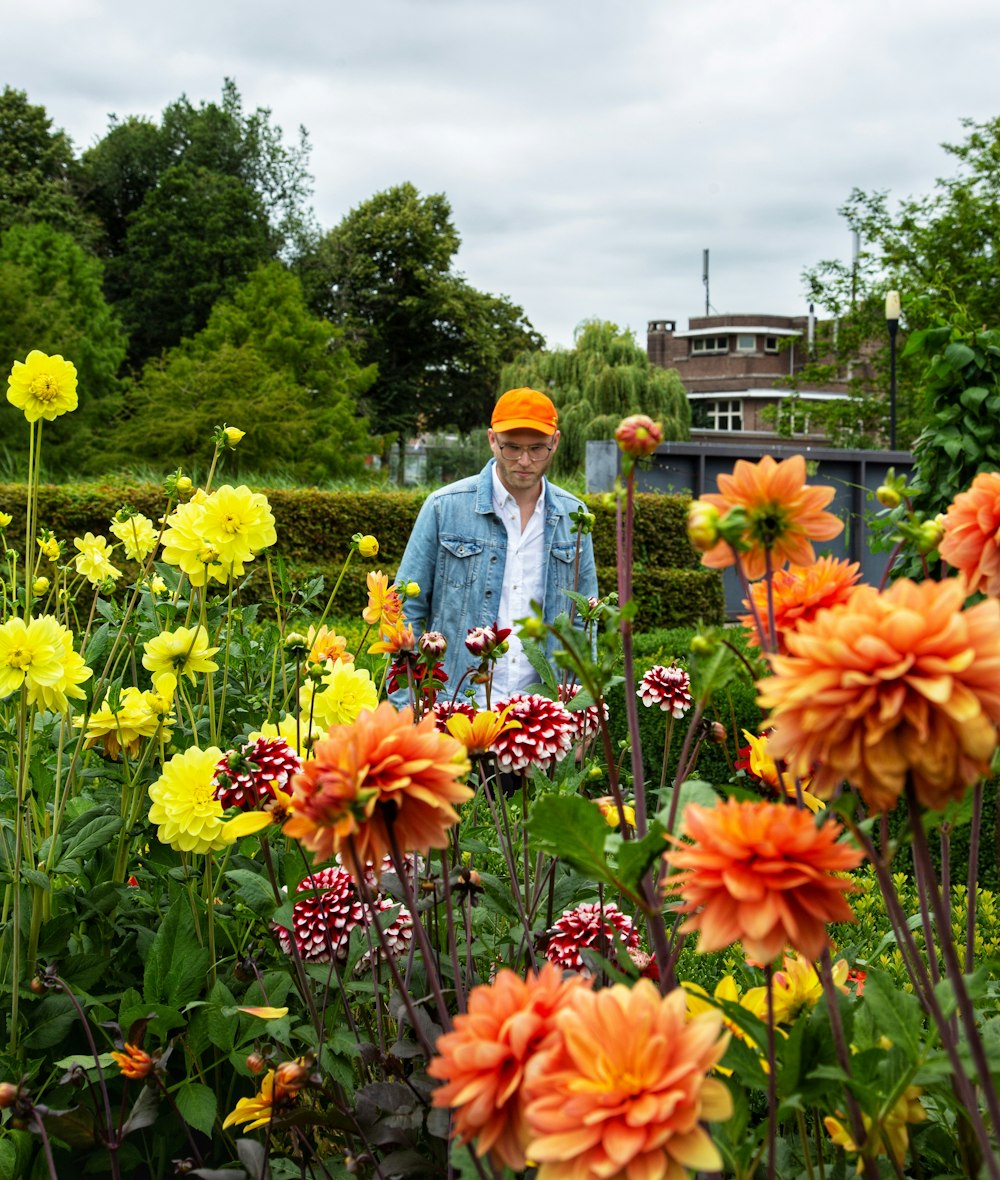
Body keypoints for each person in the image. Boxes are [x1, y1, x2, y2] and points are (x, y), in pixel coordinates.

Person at [395, 387, 598, 705]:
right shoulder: (443, 507)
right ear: (492, 439)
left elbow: (585, 623)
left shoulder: (574, 517)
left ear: (555, 442)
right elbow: (404, 611)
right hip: (455, 705)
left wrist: (584, 709)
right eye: (512, 448)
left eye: (537, 449)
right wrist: (407, 704)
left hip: (543, 714)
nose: (525, 461)